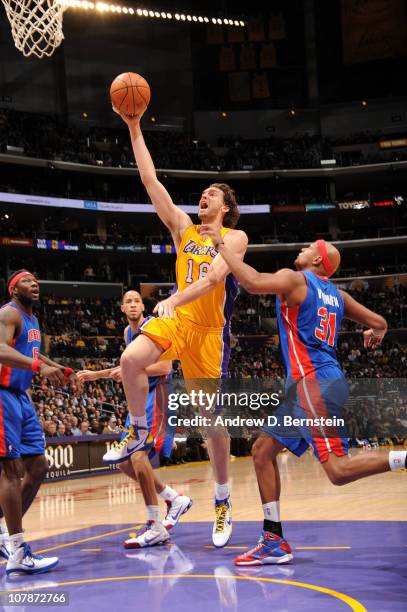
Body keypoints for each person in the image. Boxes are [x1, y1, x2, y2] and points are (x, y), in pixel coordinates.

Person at [199, 233, 406, 565]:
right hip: (315, 383)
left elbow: (251, 282)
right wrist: (376, 331)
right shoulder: (337, 295)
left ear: (318, 261)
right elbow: (379, 321)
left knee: (338, 471)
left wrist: (220, 247)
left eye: (309, 247)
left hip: (314, 385)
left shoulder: (296, 279)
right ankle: (273, 541)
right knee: (263, 451)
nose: (302, 248)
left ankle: (404, 459)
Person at [102, 109, 248, 548]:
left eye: (211, 194)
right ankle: (137, 428)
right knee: (130, 359)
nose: (203, 197)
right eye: (202, 193)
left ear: (225, 208)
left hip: (208, 331)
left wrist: (170, 299)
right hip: (178, 322)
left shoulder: (235, 238)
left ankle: (222, 499)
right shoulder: (183, 229)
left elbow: (210, 280)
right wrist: (133, 127)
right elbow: (151, 181)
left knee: (211, 424)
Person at [78, 290, 192, 547]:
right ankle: (173, 498)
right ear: (121, 308)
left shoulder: (155, 325)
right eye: (127, 301)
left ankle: (155, 524)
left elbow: (164, 368)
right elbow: (128, 368)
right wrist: (97, 375)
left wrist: (123, 370)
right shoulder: (128, 333)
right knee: (124, 462)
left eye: (136, 301)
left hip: (158, 393)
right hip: (140, 397)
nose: (132, 304)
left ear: (143, 306)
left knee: (139, 455)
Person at [0, 270, 76, 575]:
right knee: (10, 470)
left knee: (39, 465)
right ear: (13, 288)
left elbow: (32, 351)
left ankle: (7, 535)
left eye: (37, 282)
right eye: (27, 281)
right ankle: (17, 549)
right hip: (3, 394)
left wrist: (57, 367)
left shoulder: (32, 321)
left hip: (21, 397)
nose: (35, 284)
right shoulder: (8, 313)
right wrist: (35, 366)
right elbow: (1, 350)